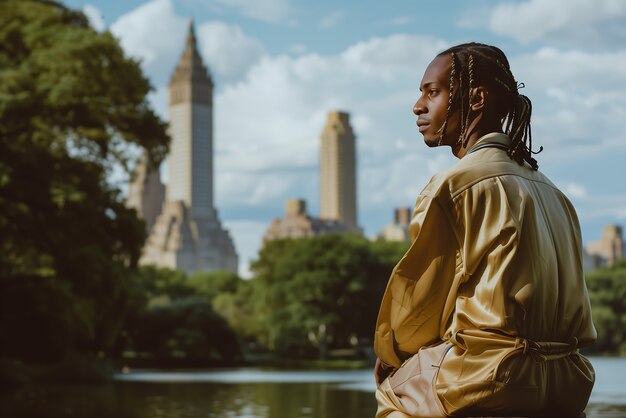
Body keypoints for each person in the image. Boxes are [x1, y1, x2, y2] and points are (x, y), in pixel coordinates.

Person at [373, 42, 596, 418]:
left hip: (492, 377)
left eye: (432, 92)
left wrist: (390, 356)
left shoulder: (454, 185)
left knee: (393, 391)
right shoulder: (555, 193)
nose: (418, 106)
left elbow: (415, 316)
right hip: (567, 381)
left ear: (476, 98)